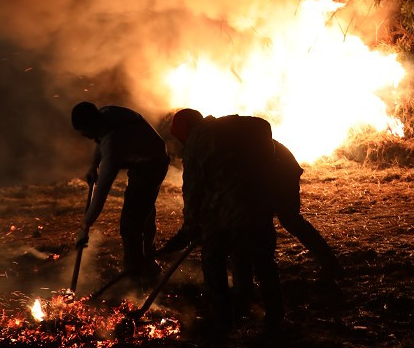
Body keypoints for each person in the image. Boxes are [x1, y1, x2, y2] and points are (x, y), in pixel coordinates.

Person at [165, 109, 284, 331]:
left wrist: (190, 227)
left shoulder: (195, 144)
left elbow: (192, 190)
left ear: (185, 130)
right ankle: (275, 315)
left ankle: (223, 321)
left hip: (229, 210)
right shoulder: (234, 127)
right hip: (260, 203)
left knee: (212, 259)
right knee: (263, 260)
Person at [71, 101, 170, 281]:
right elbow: (99, 140)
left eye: (84, 131)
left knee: (131, 224)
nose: (84, 136)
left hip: (152, 164)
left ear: (91, 125)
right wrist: (94, 165)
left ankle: (134, 278)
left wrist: (85, 226)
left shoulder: (114, 143)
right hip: (145, 157)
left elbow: (101, 192)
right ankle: (149, 264)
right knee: (143, 211)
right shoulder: (106, 114)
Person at [272, 139, 342, 279]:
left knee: (290, 219)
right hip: (277, 170)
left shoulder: (222, 140)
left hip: (281, 173)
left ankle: (331, 264)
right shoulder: (224, 136)